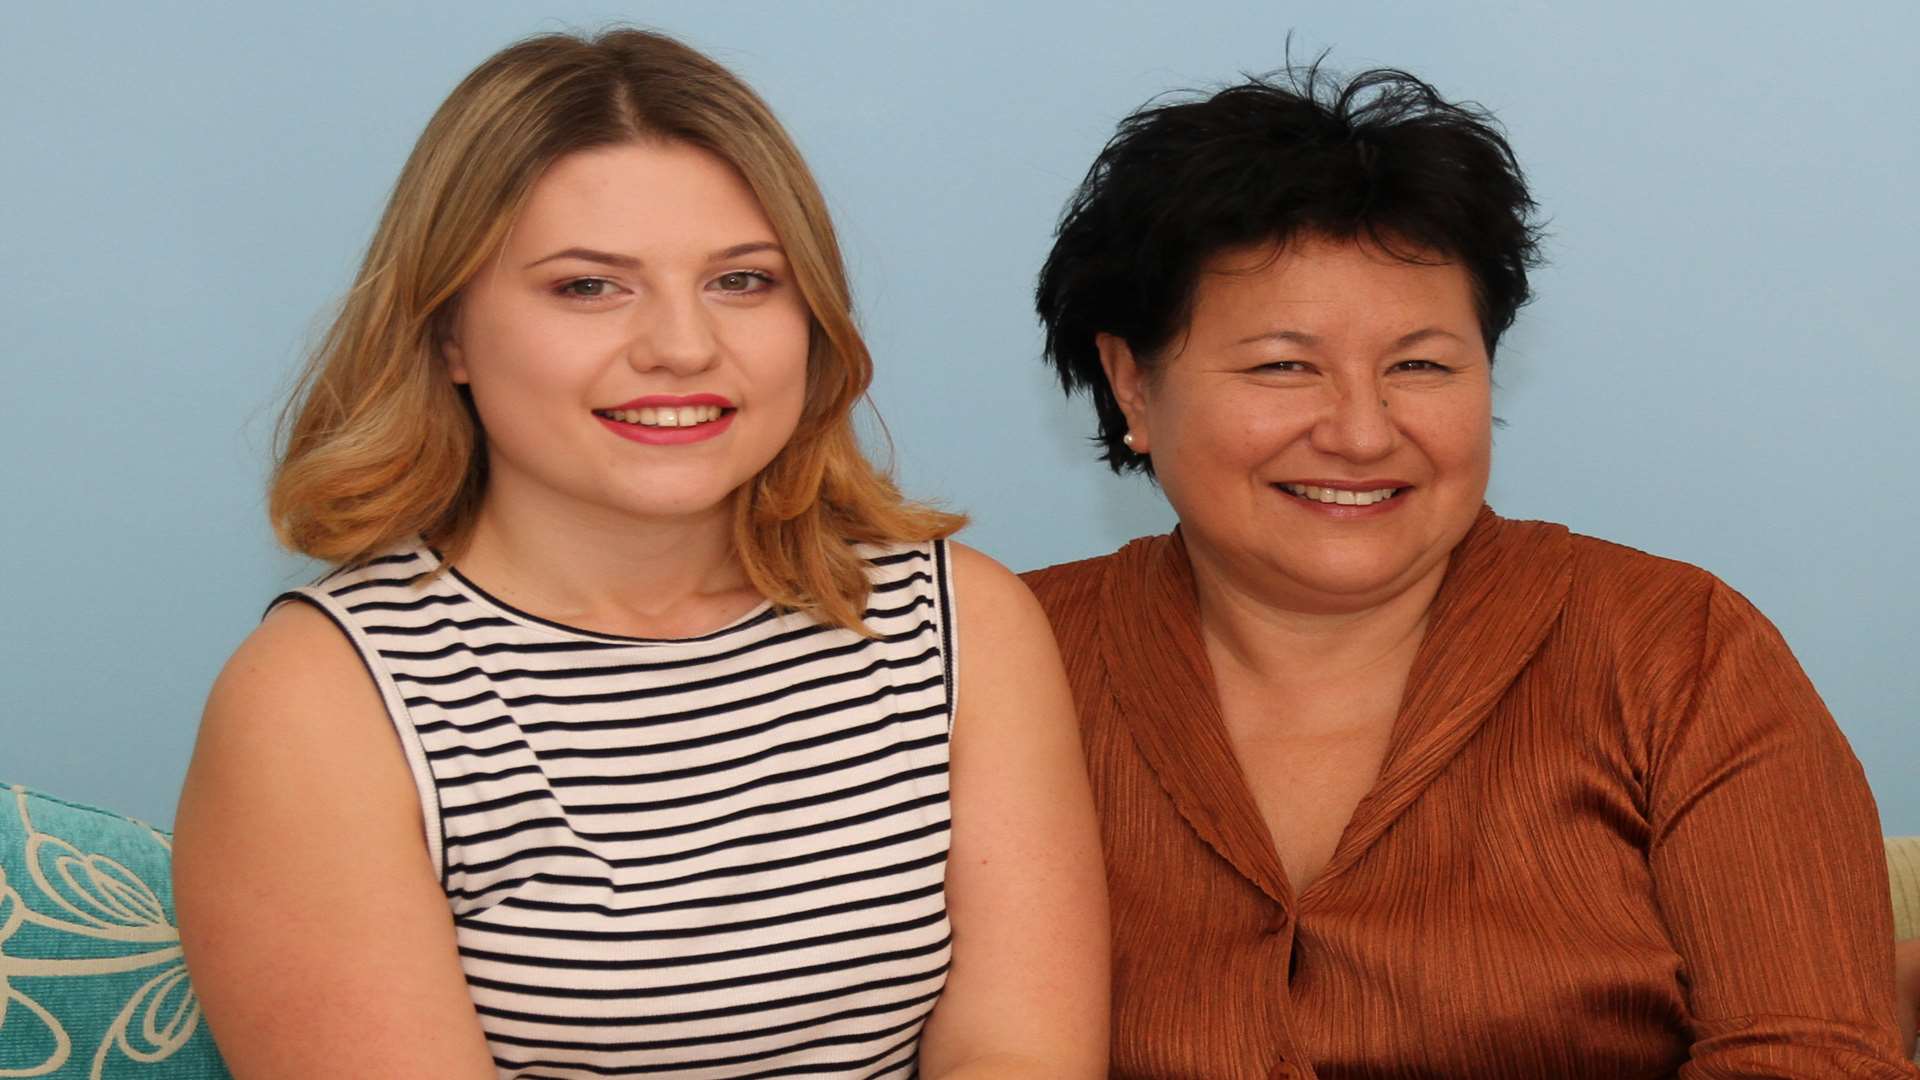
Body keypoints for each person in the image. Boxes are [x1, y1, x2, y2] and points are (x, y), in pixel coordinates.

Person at [172, 29, 1107, 1079]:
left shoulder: (962, 621)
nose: (682, 345)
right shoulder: (321, 700)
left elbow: (1018, 1053)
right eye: (588, 287)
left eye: (743, 282)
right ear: (447, 336)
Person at [1026, 64, 1919, 1077]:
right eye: (1285, 364)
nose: (1362, 433)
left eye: (1421, 365)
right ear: (1132, 383)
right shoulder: (999, 662)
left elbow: (1811, 1050)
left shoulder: (1679, 648)